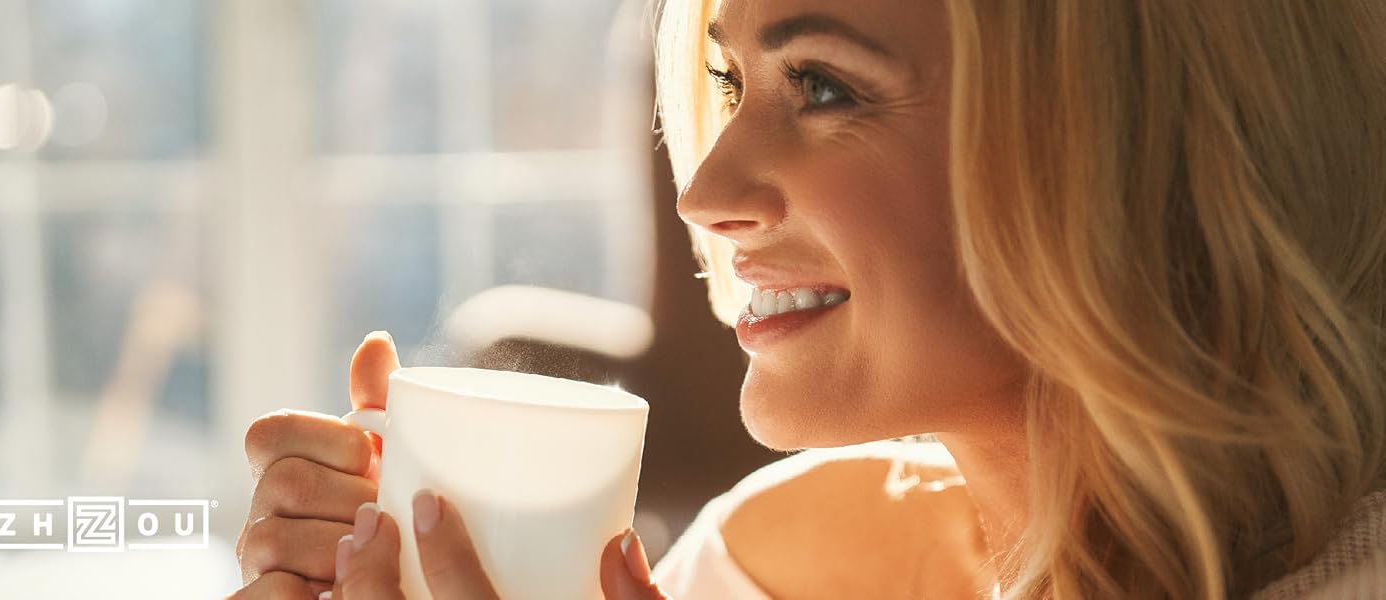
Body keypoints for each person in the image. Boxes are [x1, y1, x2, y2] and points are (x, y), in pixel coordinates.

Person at [228, 0, 1386, 598]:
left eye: (821, 84)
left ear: (1121, 139)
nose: (707, 191)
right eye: (729, 81)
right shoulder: (766, 562)